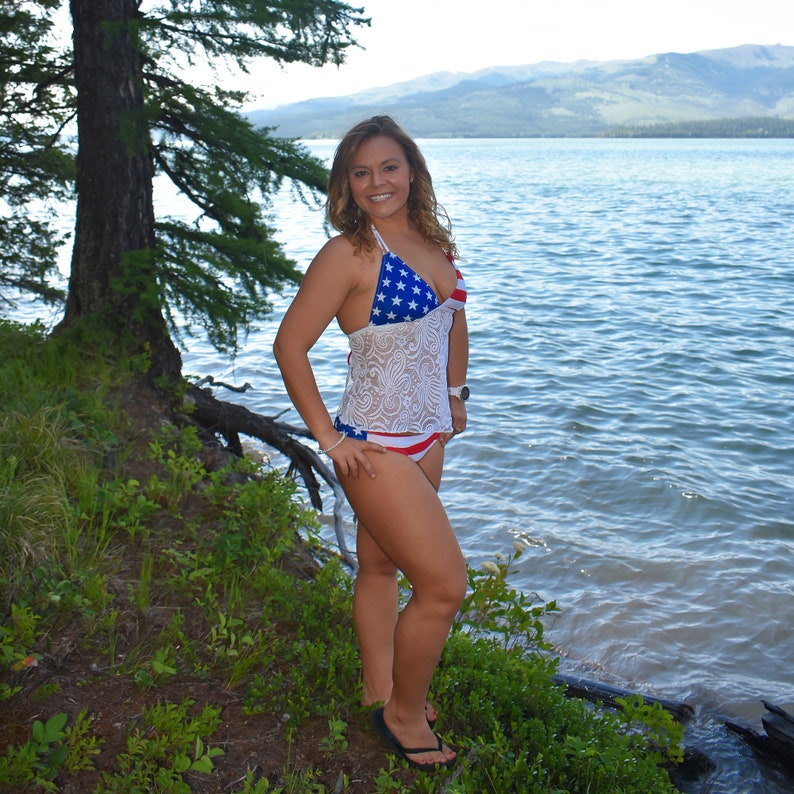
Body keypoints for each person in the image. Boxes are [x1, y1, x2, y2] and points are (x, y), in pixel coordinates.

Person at [273, 115, 469, 771]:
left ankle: (379, 688)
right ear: (346, 184)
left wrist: (455, 394)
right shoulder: (348, 254)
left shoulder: (432, 243)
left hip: (428, 437)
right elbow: (289, 346)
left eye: (388, 167)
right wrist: (329, 438)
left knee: (381, 568)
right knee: (444, 586)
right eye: (361, 172)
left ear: (411, 170)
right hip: (374, 445)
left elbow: (453, 322)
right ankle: (403, 716)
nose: (376, 181)